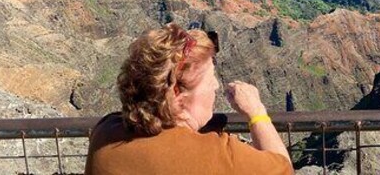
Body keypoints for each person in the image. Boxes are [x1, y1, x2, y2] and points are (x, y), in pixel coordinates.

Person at [85, 23, 293, 175]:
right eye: (210, 78)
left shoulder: (105, 133)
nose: (216, 85)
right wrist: (256, 113)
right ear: (177, 95)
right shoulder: (221, 157)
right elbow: (284, 169)